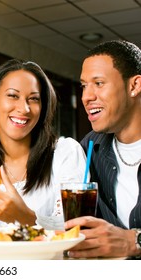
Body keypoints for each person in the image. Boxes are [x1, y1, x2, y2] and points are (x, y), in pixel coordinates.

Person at [0, 59, 87, 230]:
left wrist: (24, 217)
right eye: (13, 96)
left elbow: (75, 230)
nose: (24, 108)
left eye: (33, 99)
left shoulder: (66, 153)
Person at [65, 40, 141, 258]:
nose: (86, 97)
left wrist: (133, 240)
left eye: (98, 83)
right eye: (84, 85)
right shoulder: (89, 147)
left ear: (134, 86)